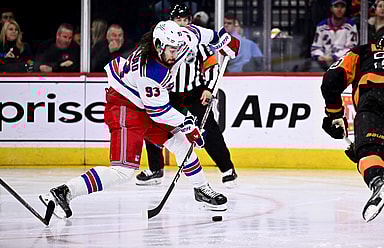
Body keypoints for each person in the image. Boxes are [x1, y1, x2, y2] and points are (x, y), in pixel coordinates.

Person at [39, 19, 239, 218]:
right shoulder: (150, 71)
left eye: (177, 49)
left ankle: (201, 189)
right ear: (159, 46)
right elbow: (158, 112)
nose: (175, 54)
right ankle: (64, 192)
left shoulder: (180, 41)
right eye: (171, 50)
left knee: (182, 144)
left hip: (144, 104)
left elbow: (198, 32)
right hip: (125, 106)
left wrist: (223, 39)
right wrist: (187, 125)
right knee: (122, 172)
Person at [136, 3, 239, 188]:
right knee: (153, 124)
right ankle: (156, 169)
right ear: (171, 21)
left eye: (185, 20)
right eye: (178, 19)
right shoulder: (165, 41)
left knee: (209, 129)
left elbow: (211, 65)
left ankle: (227, 169)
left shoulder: (195, 41)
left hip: (194, 92)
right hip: (169, 94)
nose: (182, 23)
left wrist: (208, 88)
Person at [321, 34, 384, 222]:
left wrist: (334, 115)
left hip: (374, 97)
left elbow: (331, 80)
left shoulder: (363, 51)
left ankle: (378, 181)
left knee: (369, 151)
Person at [310, 0, 358, 71]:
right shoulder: (322, 26)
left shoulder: (351, 26)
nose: (339, 9)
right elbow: (316, 47)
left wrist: (334, 57)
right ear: (331, 8)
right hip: (323, 63)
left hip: (343, 63)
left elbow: (352, 48)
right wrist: (320, 56)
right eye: (336, 6)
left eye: (342, 6)